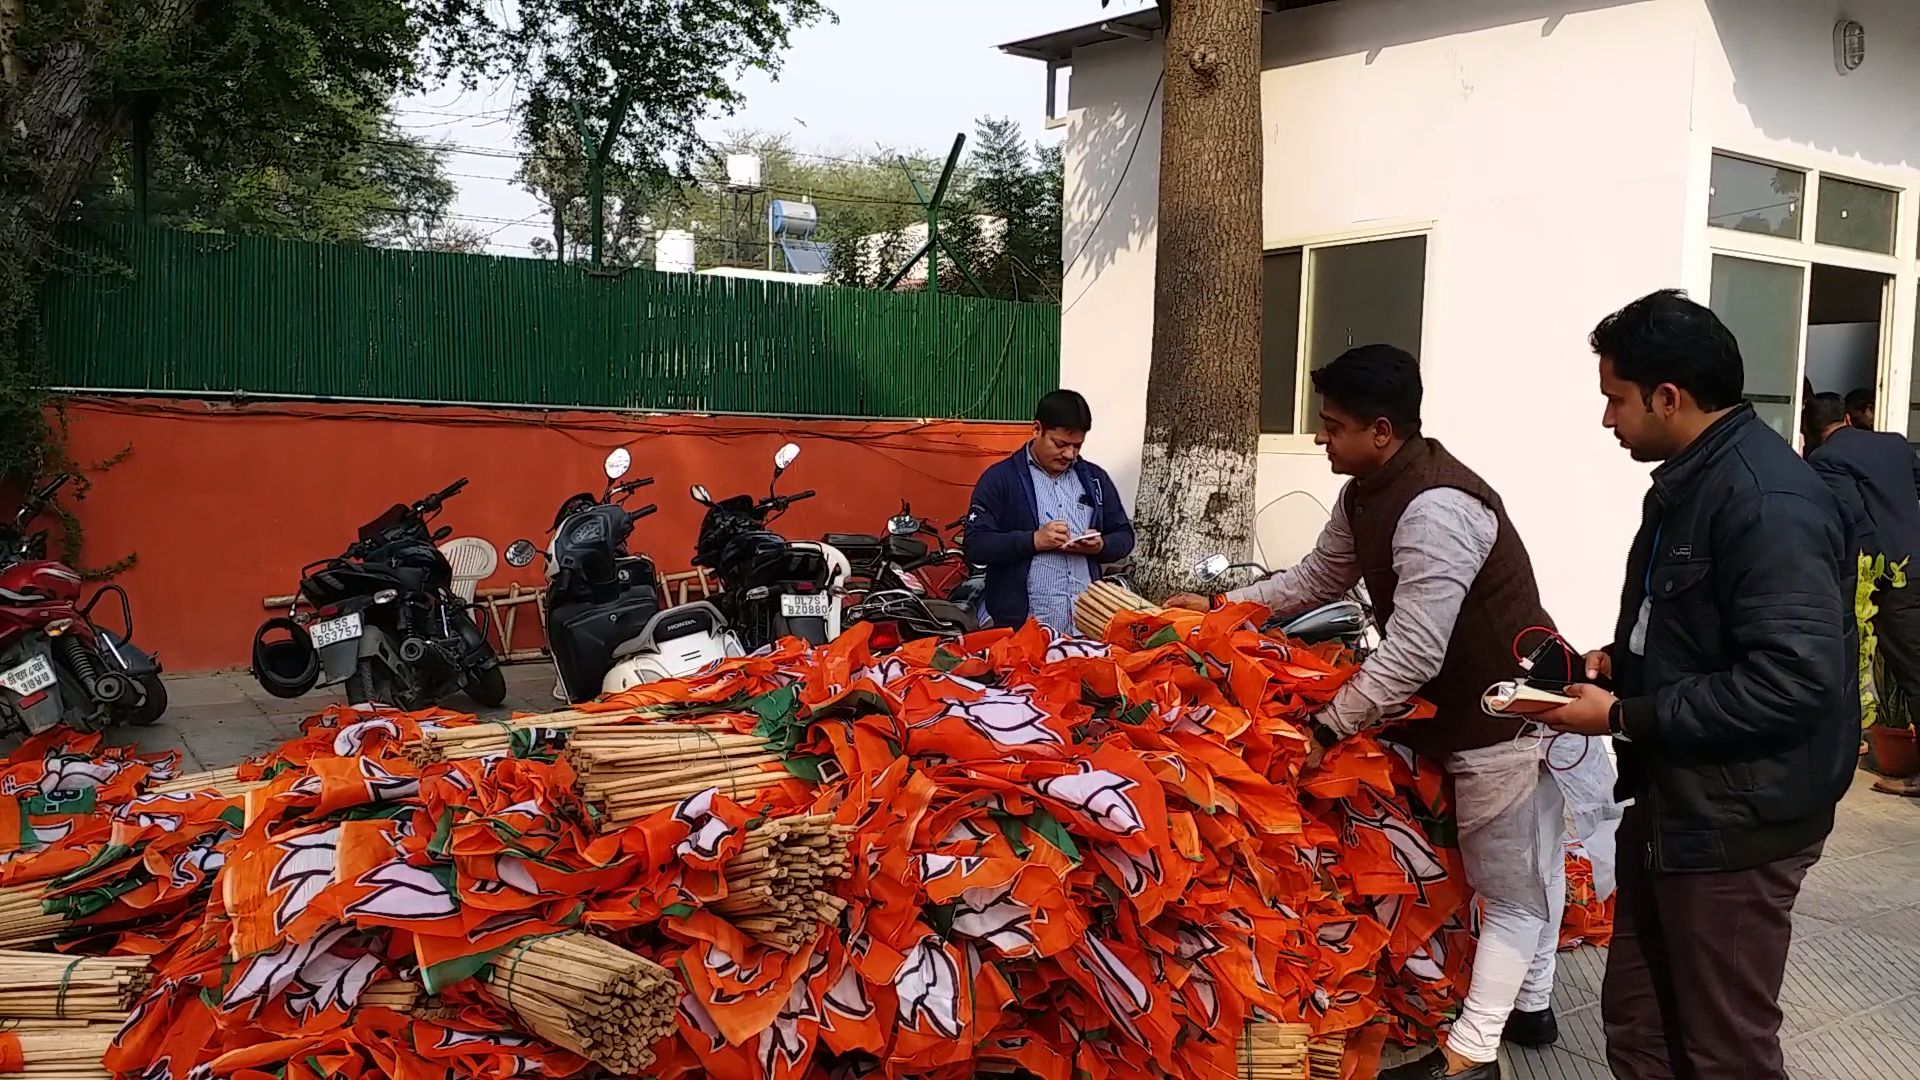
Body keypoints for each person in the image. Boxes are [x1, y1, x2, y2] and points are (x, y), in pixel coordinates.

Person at [1167, 344, 1570, 1080]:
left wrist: (1327, 728)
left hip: (1501, 714)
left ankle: (1473, 1058)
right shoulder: (1365, 493)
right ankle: (1533, 1006)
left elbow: (1414, 650)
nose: (1321, 438)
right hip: (1473, 710)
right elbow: (1319, 576)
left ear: (1382, 431)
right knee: (1532, 857)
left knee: (1508, 886)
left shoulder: (1437, 510)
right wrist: (1223, 611)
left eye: (1332, 426)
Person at [1540, 290, 1857, 1080]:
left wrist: (1625, 713)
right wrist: (1621, 663)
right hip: (1676, 805)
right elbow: (1698, 624)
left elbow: (1791, 679)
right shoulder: (1691, 481)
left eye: (1615, 399)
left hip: (1737, 823)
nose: (1608, 420)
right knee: (1641, 1027)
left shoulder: (1765, 499)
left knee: (1724, 1051)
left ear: (1668, 397)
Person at [1803, 392, 1920, 798]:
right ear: (1849, 419)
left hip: (1893, 579)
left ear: (1811, 433)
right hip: (1917, 560)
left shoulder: (1824, 461)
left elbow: (1853, 519)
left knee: (1913, 671)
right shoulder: (1895, 444)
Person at [962, 390, 1135, 635]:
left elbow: (1125, 536)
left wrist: (1100, 546)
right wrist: (1033, 540)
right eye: (1061, 444)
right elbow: (975, 545)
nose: (1069, 454)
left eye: (1077, 446)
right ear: (1037, 429)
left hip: (1086, 628)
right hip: (1025, 630)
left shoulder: (1095, 479)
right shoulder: (1000, 479)